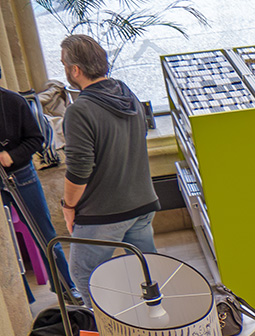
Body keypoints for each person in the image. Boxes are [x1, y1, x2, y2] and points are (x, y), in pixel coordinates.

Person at [59, 34, 159, 301]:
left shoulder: (79, 111)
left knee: (83, 274)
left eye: (64, 64)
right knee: (148, 271)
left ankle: (108, 327)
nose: (65, 70)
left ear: (75, 70)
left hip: (104, 213)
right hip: (142, 203)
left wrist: (68, 206)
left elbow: (79, 169)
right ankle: (156, 319)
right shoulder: (127, 94)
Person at [0, 75, 79, 303]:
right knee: (5, 246)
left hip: (21, 176)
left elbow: (36, 139)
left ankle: (66, 288)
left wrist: (12, 156)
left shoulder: (14, 102)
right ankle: (21, 299)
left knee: (44, 234)